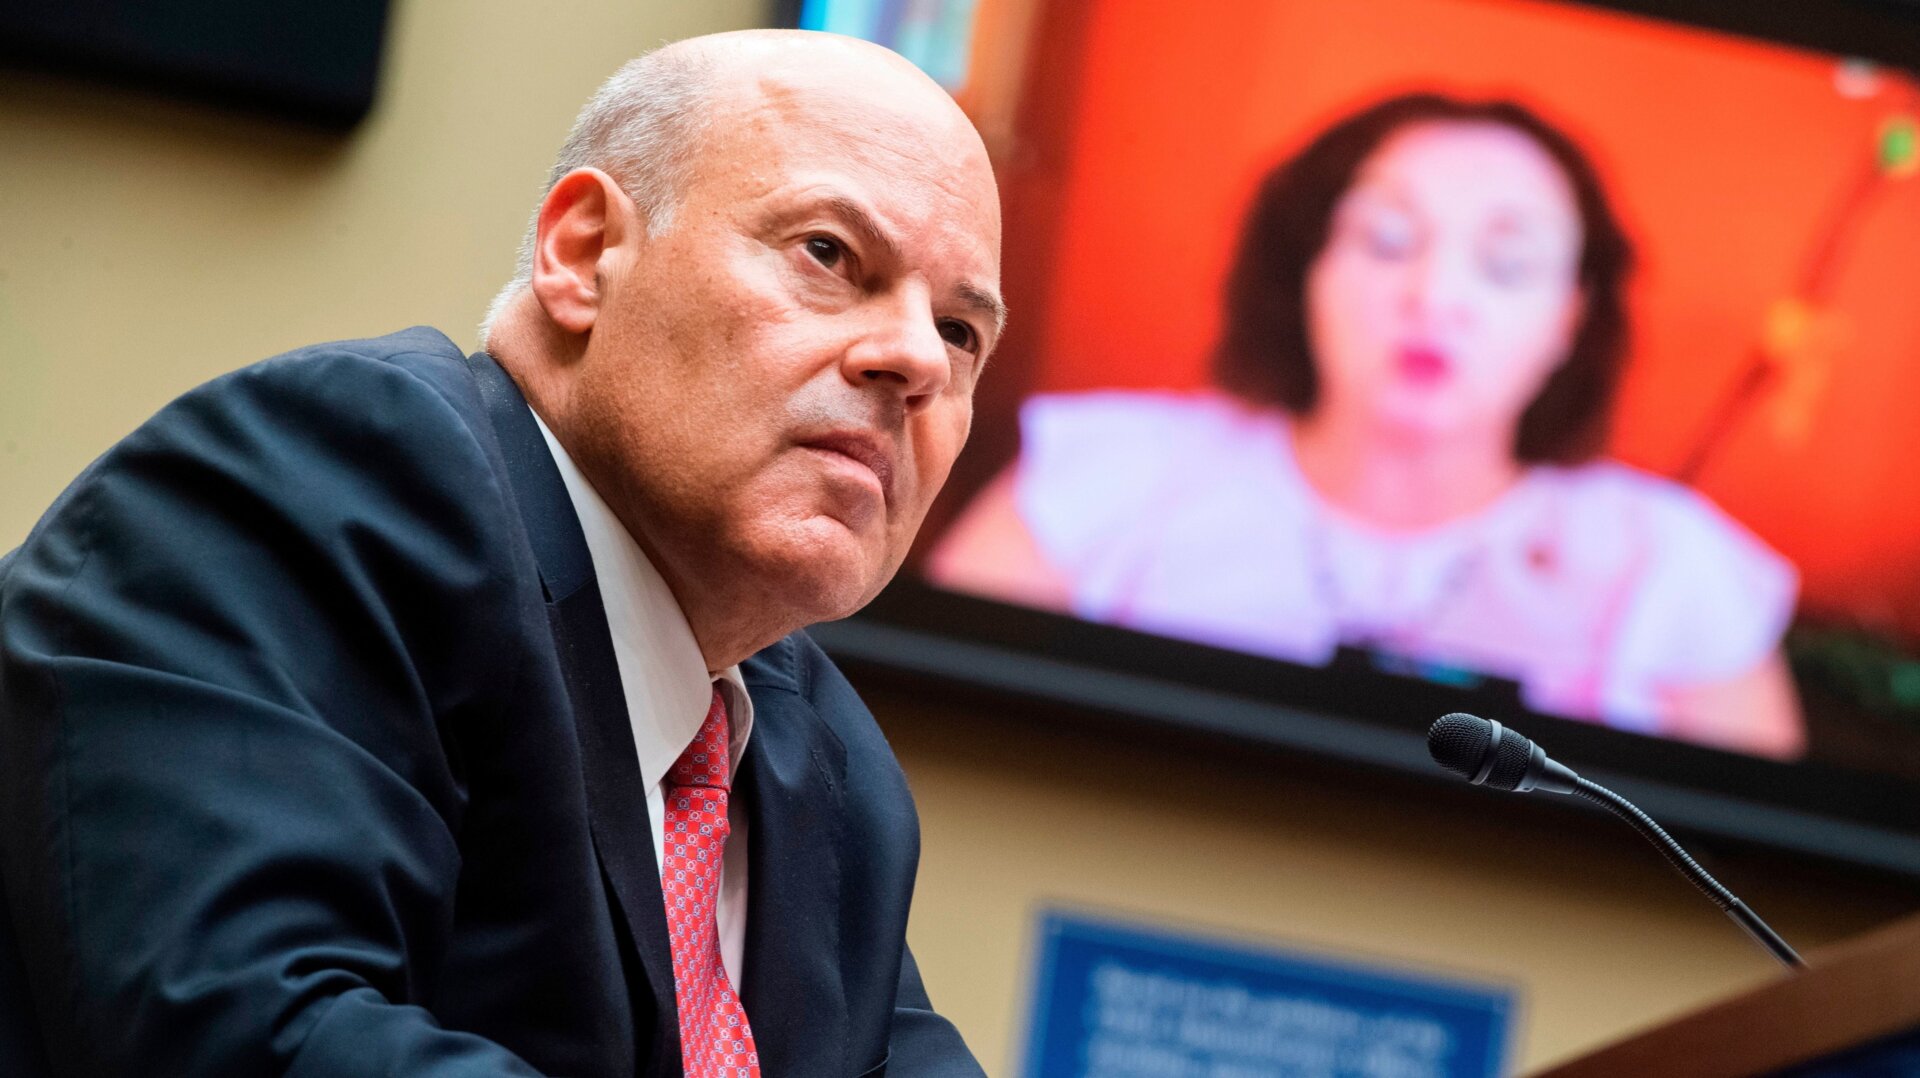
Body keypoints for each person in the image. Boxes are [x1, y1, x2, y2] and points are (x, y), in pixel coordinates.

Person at [0, 29, 1003, 1077]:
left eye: (961, 332)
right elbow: (257, 1033)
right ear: (581, 252)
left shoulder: (819, 758)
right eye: (830, 256)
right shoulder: (328, 487)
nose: (914, 361)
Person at [930, 93, 1804, 759]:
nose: (1434, 298)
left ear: (1570, 319)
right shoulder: (1100, 481)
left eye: (1505, 265)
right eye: (1386, 240)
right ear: (1305, 269)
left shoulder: (1671, 564)